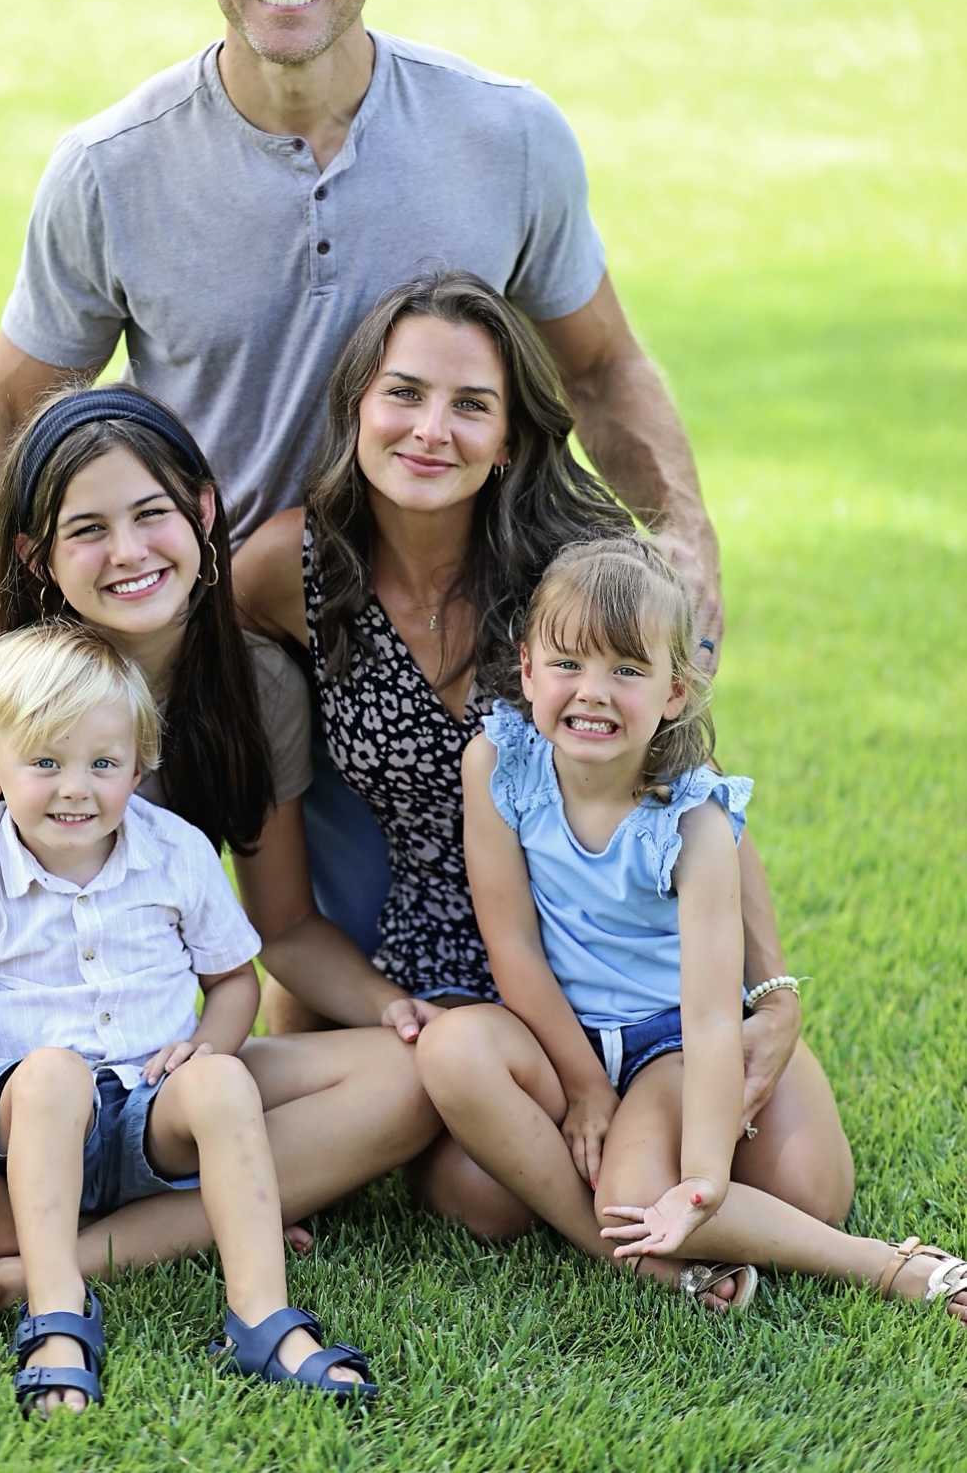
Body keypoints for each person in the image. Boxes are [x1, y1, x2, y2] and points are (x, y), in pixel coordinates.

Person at [0, 0, 724, 908]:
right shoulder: (111, 165)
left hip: (408, 592)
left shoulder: (506, 137)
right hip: (173, 576)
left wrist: (683, 532)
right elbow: (9, 404)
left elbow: (602, 367)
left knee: (409, 977)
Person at [0, 387, 439, 1341]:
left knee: (413, 1079)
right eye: (88, 529)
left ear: (202, 513)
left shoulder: (254, 686)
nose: (129, 551)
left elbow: (279, 931)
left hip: (153, 1075)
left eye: (154, 514)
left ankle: (41, 1258)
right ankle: (189, 1218)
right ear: (36, 555)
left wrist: (397, 1011)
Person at [233, 273, 854, 1241]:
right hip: (445, 951)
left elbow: (689, 780)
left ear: (510, 438)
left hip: (608, 940)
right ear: (355, 406)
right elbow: (176, 630)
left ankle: (682, 1155)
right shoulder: (291, 568)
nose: (432, 429)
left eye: (471, 405)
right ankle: (625, 1235)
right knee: (482, 1202)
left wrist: (769, 991)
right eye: (403, 393)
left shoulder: (576, 561)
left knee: (811, 1186)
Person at [0, 621, 376, 1413]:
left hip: (146, 1105)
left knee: (226, 1080)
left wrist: (204, 1046)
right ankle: (56, 1312)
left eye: (102, 763)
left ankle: (259, 1318)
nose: (75, 788)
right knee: (54, 1070)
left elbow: (235, 980)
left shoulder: (176, 851)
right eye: (47, 762)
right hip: (26, 1113)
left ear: (139, 763)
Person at [416, 537, 967, 1321]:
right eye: (568, 663)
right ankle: (646, 1252)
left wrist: (705, 1178)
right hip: (559, 1036)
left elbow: (711, 1016)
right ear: (528, 668)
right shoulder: (498, 763)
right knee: (451, 1047)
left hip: (669, 1043)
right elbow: (514, 948)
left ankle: (887, 1266)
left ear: (675, 691)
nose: (593, 693)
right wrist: (580, 1088)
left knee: (810, 1193)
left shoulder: (692, 821)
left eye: (628, 671)